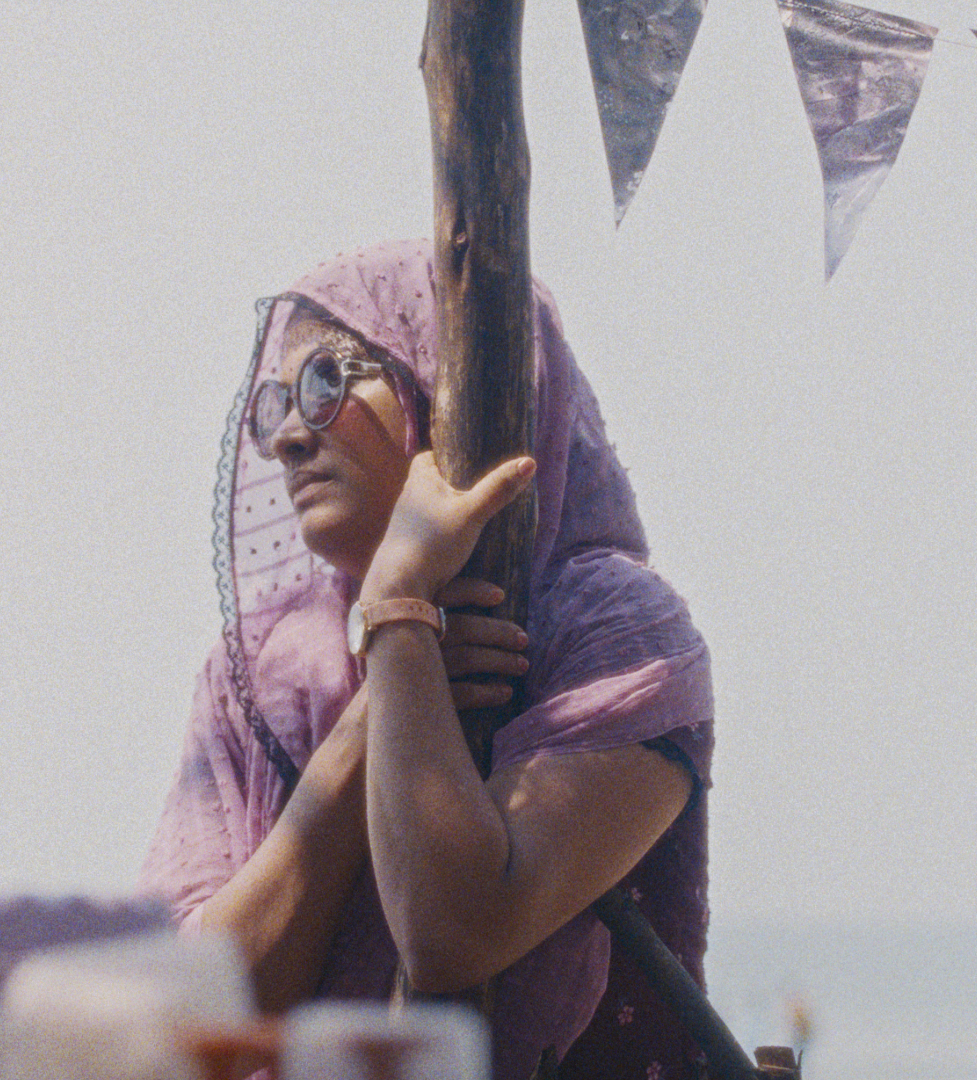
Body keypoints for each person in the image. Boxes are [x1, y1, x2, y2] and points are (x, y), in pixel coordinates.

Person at [139, 240, 714, 1080]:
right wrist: (377, 702)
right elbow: (187, 1017)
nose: (289, 438)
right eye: (274, 405)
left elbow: (454, 933)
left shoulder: (612, 636)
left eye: (331, 382)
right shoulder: (256, 674)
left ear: (443, 387)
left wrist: (401, 597)